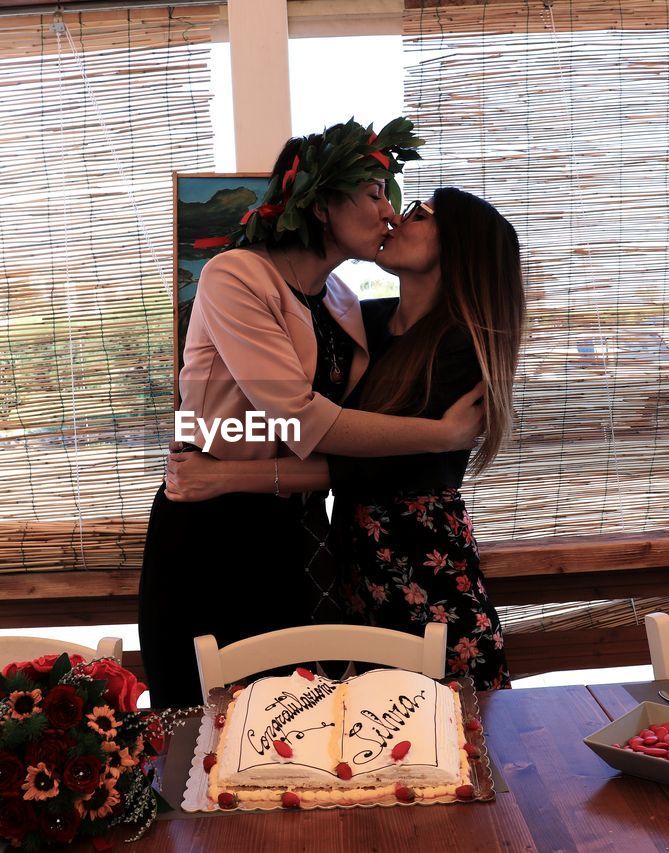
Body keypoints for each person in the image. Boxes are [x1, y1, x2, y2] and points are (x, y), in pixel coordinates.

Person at [140, 121, 486, 707]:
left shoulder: (344, 300)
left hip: (301, 530)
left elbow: (359, 419)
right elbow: (300, 420)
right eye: (376, 193)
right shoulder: (236, 274)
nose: (391, 213)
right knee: (204, 726)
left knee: (291, 723)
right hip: (213, 524)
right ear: (322, 203)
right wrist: (442, 434)